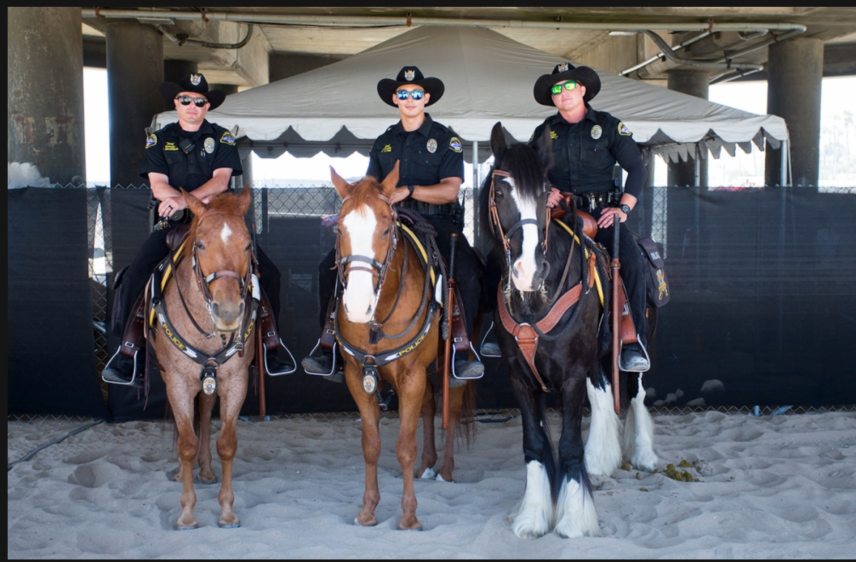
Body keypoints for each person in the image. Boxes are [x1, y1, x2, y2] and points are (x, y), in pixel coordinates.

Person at [102, 73, 292, 385]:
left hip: (218, 222)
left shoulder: (223, 138)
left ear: (207, 107)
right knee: (136, 275)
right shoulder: (159, 139)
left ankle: (271, 344)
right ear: (176, 103)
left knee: (269, 274)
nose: (192, 106)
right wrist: (178, 204)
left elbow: (221, 181)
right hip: (173, 224)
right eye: (186, 100)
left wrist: (182, 201)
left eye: (199, 101)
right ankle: (128, 354)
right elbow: (157, 184)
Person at [302, 66, 485, 383]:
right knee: (328, 267)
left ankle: (461, 350)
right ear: (395, 99)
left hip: (436, 220)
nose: (410, 99)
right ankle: (328, 345)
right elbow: (372, 187)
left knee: (467, 269)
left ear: (426, 98)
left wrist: (411, 191)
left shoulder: (445, 139)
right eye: (403, 94)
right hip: (390, 220)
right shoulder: (384, 141)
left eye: (416, 93)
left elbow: (451, 189)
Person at [529, 62, 651, 372]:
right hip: (557, 217)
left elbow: (636, 169)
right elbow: (527, 174)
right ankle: (503, 331)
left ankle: (632, 341)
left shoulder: (609, 126)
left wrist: (623, 209)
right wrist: (544, 190)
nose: (563, 93)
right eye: (556, 89)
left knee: (633, 264)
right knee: (511, 257)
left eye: (569, 86)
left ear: (582, 90)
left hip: (602, 217)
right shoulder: (544, 131)